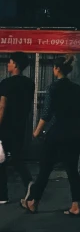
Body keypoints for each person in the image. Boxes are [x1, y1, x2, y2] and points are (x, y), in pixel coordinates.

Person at [22, 55, 80, 216]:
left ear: (57, 69)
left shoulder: (53, 88)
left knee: (45, 168)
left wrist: (36, 132)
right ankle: (75, 205)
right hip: (75, 134)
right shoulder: (78, 89)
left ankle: (33, 202)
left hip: (57, 134)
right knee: (72, 170)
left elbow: (46, 114)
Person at [0, 52, 34, 205]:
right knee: (17, 157)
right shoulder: (29, 84)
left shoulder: (6, 83)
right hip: (21, 126)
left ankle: (2, 195)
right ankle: (29, 182)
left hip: (5, 127)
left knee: (1, 160)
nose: (8, 64)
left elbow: (2, 107)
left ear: (16, 65)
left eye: (10, 62)